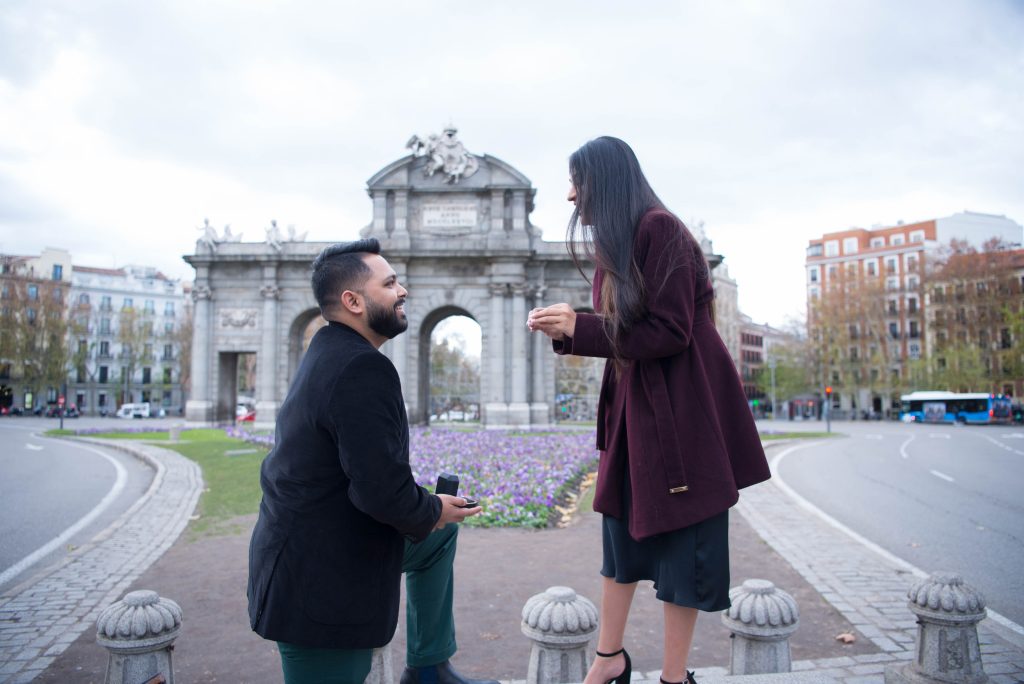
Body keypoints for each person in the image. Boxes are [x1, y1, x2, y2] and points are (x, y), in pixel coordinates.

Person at [527, 137, 771, 684]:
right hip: (640, 408)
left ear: (606, 181)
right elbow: (630, 333)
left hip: (683, 408)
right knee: (621, 529)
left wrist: (581, 326)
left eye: (577, 181)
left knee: (683, 538)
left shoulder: (660, 229)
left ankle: (673, 677)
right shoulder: (616, 244)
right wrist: (573, 328)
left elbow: (669, 329)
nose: (570, 195)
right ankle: (609, 659)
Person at [247, 238, 498, 684]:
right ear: (353, 301)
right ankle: (428, 668)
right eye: (390, 283)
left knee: (436, 540)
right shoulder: (361, 368)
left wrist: (430, 513)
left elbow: (369, 474)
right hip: (317, 580)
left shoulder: (331, 351)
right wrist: (432, 507)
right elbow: (380, 492)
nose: (403, 291)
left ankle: (428, 668)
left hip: (319, 545)